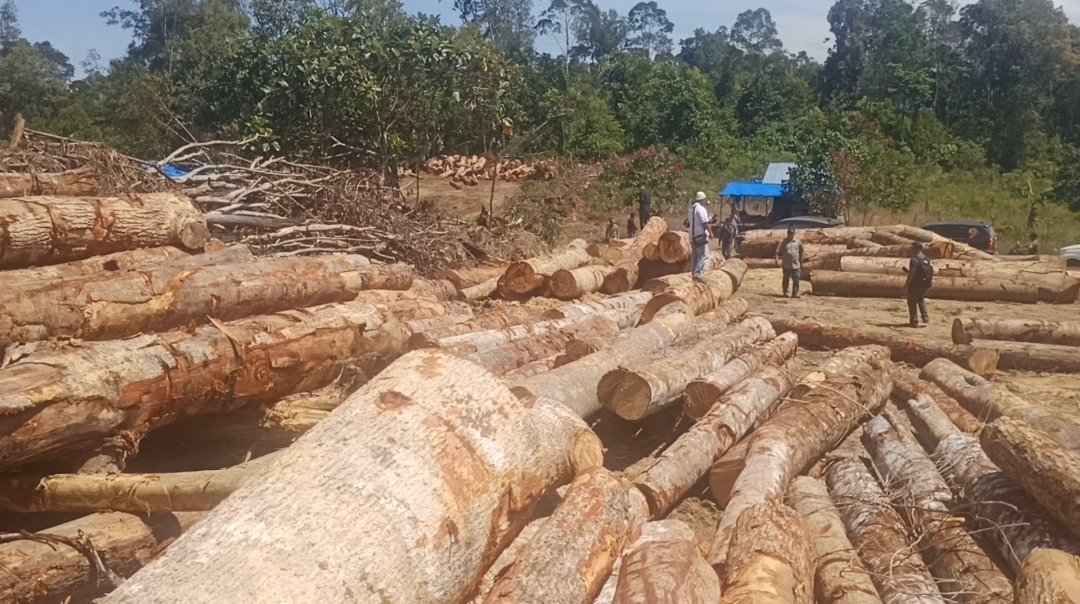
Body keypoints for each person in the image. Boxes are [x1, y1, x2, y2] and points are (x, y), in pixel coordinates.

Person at [904, 242, 934, 327]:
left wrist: (907, 284)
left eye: (912, 248)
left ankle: (914, 321)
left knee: (911, 302)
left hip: (915, 284)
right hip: (925, 284)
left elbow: (912, 273)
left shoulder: (914, 260)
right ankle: (925, 317)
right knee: (920, 299)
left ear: (917, 249)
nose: (911, 249)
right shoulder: (927, 259)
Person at [688, 191, 713, 280]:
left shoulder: (691, 209)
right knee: (703, 255)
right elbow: (704, 223)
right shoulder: (701, 209)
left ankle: (693, 274)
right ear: (703, 200)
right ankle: (698, 274)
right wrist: (710, 233)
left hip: (692, 236)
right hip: (700, 235)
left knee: (695, 256)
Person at [774, 228, 803, 298]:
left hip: (796, 264)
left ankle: (795, 293)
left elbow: (801, 251)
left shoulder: (798, 241)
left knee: (796, 278)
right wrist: (777, 260)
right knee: (786, 279)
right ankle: (785, 292)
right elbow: (777, 252)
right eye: (789, 233)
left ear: (794, 233)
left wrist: (801, 261)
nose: (790, 234)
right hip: (786, 264)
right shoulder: (783, 242)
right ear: (787, 233)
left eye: (792, 233)